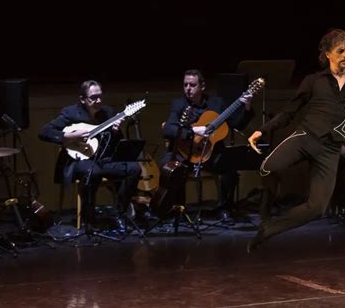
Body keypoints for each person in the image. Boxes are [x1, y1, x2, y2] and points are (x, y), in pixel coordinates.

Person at [247, 28, 345, 252]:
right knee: (267, 168)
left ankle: (268, 229)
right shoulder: (314, 81)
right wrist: (263, 130)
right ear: (327, 53)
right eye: (340, 50)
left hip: (330, 150)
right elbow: (289, 112)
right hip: (306, 137)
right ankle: (265, 214)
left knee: (317, 208)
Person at [39, 80, 142, 231]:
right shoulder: (71, 113)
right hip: (78, 160)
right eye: (93, 98)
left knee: (133, 169)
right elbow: (44, 132)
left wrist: (115, 132)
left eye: (100, 96)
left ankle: (118, 213)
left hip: (103, 158)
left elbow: (114, 143)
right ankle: (89, 217)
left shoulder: (108, 112)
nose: (98, 101)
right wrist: (70, 136)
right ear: (82, 99)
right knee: (93, 172)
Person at [161, 69, 254, 223]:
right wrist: (193, 131)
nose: (188, 89)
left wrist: (247, 107)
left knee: (231, 167)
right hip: (186, 154)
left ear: (202, 86)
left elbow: (236, 125)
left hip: (210, 154)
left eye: (192, 85)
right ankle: (178, 209)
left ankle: (224, 208)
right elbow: (168, 129)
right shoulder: (179, 104)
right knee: (168, 166)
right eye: (185, 85)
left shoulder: (216, 103)